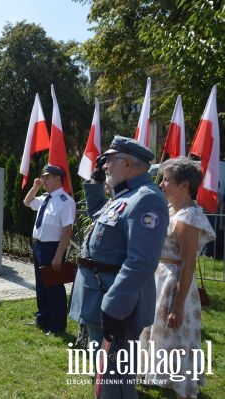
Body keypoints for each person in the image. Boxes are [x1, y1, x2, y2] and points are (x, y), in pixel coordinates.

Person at [69, 136, 169, 399]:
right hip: (100, 297)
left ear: (126, 163)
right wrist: (95, 184)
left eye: (109, 161)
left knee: (115, 379)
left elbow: (141, 262)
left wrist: (113, 308)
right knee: (105, 371)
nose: (104, 166)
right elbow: (101, 219)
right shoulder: (125, 195)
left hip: (116, 304)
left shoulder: (146, 199)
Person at [138, 157, 215, 399]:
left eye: (167, 179)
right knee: (159, 330)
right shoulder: (173, 210)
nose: (161, 184)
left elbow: (188, 262)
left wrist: (178, 305)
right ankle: (157, 374)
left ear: (184, 185)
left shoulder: (188, 217)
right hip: (160, 278)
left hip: (174, 280)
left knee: (175, 331)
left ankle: (179, 382)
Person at [23, 164, 75, 336]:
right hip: (39, 245)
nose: (43, 179)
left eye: (47, 177)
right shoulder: (45, 198)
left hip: (53, 247)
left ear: (58, 179)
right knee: (41, 286)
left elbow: (67, 230)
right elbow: (27, 202)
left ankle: (57, 325)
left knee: (54, 288)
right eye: (43, 177)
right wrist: (35, 187)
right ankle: (43, 318)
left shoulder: (65, 201)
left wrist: (59, 256)